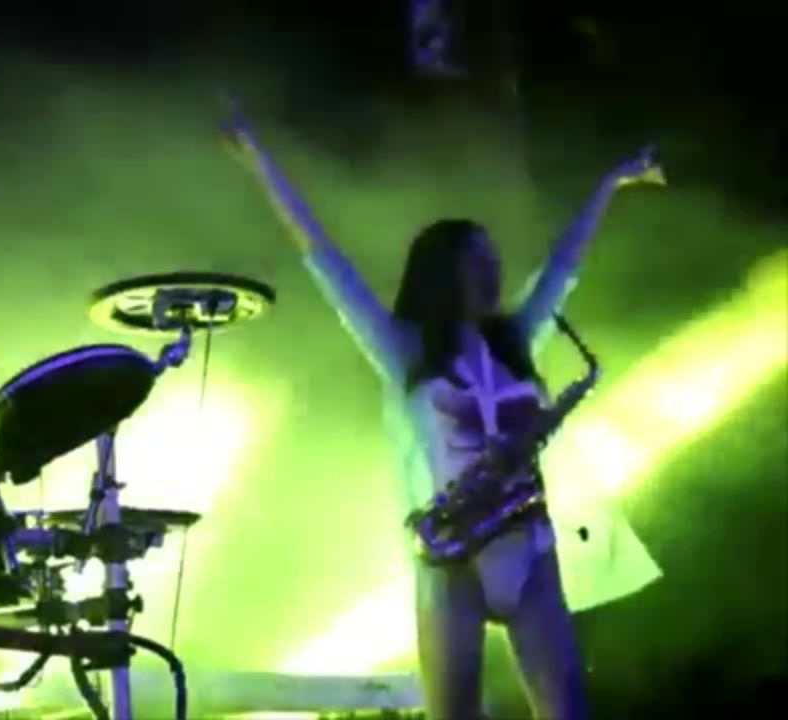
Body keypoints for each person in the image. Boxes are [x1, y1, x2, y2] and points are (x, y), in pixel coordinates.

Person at [223, 103, 662, 720]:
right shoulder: (404, 350)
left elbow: (564, 267)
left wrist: (609, 183)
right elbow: (325, 258)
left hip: (529, 548)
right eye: (476, 261)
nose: (492, 270)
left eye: (492, 258)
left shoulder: (517, 340)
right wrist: (258, 159)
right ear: (442, 273)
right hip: (450, 562)